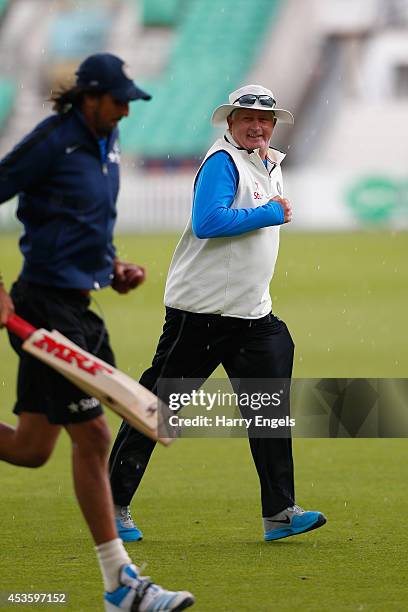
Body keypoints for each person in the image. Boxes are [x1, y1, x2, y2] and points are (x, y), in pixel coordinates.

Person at [0, 53, 194, 611]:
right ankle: (120, 584)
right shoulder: (51, 141)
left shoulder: (105, 145)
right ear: (89, 97)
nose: (126, 111)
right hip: (43, 309)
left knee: (31, 448)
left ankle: (120, 586)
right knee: (94, 439)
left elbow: (79, 222)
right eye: (118, 101)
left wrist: (112, 266)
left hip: (79, 309)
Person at [109, 84, 327, 544]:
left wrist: (268, 205)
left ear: (273, 125)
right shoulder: (222, 162)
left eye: (264, 120)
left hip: (252, 314)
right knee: (160, 408)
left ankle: (280, 513)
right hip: (201, 312)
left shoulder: (265, 161)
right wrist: (270, 212)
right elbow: (209, 222)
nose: (256, 125)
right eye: (246, 117)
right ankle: (111, 503)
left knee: (268, 410)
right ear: (229, 123)